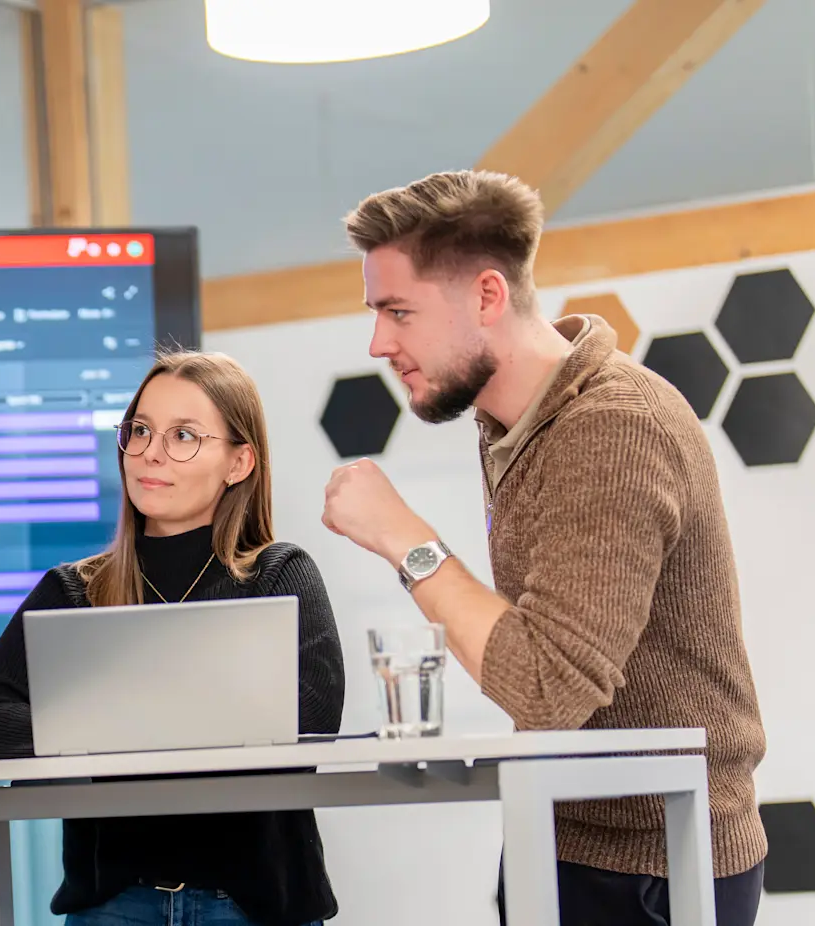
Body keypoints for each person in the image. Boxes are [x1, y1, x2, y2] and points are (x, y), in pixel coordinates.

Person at [318, 169, 768, 926]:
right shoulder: (513, 424)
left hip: (659, 865)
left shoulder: (613, 428)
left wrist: (406, 539)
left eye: (399, 312)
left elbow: (547, 688)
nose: (378, 341)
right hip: (563, 833)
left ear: (488, 296)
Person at [0, 350, 345, 926]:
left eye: (183, 435)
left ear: (239, 462)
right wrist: (192, 719)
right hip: (114, 905)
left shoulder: (278, 575)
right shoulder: (74, 589)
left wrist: (93, 724)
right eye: (140, 430)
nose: (151, 453)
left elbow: (308, 719)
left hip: (255, 905)